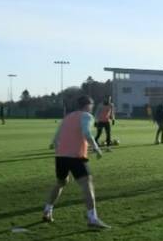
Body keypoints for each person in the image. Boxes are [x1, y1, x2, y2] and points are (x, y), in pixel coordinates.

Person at [43, 96, 110, 229]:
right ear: (87, 105)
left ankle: (47, 210)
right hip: (76, 156)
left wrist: (58, 150)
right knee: (87, 184)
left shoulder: (67, 117)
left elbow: (56, 137)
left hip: (61, 156)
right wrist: (96, 148)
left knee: (61, 182)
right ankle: (92, 219)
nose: (92, 106)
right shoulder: (87, 116)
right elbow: (86, 132)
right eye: (92, 104)